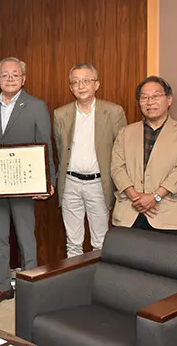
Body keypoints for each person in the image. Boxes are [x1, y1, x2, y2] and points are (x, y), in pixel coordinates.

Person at [0, 57, 55, 306]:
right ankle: (3, 287)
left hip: (24, 181)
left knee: (25, 236)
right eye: (5, 75)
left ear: (23, 79)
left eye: (15, 74)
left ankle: (29, 287)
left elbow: (45, 144)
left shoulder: (36, 106)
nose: (10, 79)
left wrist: (48, 181)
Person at [54, 63, 127, 257]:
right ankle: (74, 275)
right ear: (70, 87)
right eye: (75, 82)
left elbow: (122, 151)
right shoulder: (60, 114)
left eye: (86, 81)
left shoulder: (113, 112)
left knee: (100, 241)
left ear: (97, 84)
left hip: (98, 184)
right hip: (70, 183)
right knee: (72, 242)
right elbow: (60, 150)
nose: (81, 86)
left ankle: (98, 276)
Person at [111, 76, 177, 236]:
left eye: (156, 96)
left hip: (167, 215)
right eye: (144, 97)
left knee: (168, 253)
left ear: (169, 100)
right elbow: (117, 168)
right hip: (130, 212)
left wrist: (155, 197)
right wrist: (135, 197)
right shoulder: (125, 132)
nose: (150, 102)